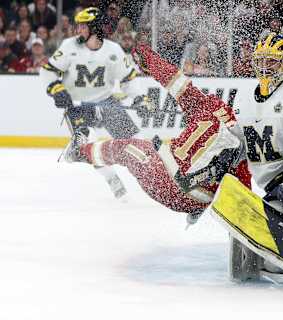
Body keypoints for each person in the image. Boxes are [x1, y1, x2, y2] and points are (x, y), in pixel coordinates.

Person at [129, 35, 283, 298]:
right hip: (277, 189)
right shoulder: (247, 99)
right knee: (249, 258)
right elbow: (242, 143)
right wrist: (215, 164)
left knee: (258, 227)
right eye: (261, 61)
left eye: (272, 62)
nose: (265, 68)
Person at [65, 43, 251, 225]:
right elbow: (243, 196)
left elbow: (174, 79)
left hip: (163, 178)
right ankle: (85, 145)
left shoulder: (211, 104)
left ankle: (80, 150)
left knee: (127, 148)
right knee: (133, 148)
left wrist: (148, 56)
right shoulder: (242, 145)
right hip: (191, 200)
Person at [39, 7, 146, 199]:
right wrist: (56, 89)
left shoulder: (113, 51)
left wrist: (139, 98)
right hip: (78, 107)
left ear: (94, 27)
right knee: (87, 144)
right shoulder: (69, 46)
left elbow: (128, 79)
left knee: (135, 144)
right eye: (78, 26)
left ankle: (150, 180)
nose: (78, 30)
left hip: (106, 102)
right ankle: (112, 179)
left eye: (82, 26)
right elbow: (48, 71)